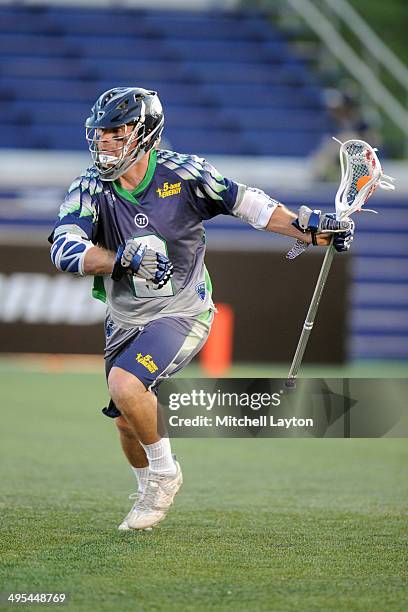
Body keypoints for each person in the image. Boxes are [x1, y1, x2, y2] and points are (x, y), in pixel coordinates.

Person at [48, 87, 354, 531]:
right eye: (101, 134)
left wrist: (312, 233)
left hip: (183, 309)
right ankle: (146, 485)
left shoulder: (185, 173)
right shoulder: (90, 187)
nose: (105, 142)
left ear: (144, 133)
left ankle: (165, 475)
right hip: (125, 319)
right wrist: (120, 260)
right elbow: (64, 247)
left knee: (126, 384)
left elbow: (252, 206)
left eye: (116, 132)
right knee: (127, 421)